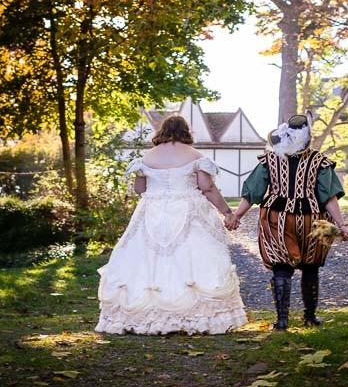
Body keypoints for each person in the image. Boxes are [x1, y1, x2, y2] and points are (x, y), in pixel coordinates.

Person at [96, 115, 246, 335]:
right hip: (188, 208)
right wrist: (227, 213)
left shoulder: (148, 157)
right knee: (192, 256)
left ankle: (146, 313)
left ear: (162, 131)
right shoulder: (194, 155)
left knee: (148, 258)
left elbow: (140, 190)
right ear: (186, 132)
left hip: (152, 211)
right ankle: (196, 315)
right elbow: (207, 187)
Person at [227, 112, 348, 330]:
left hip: (277, 218)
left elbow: (253, 192)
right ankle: (310, 318)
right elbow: (329, 196)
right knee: (310, 267)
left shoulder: (270, 159)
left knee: (281, 267)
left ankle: (282, 320)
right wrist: (341, 224)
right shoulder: (319, 161)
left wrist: (237, 215)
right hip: (312, 218)